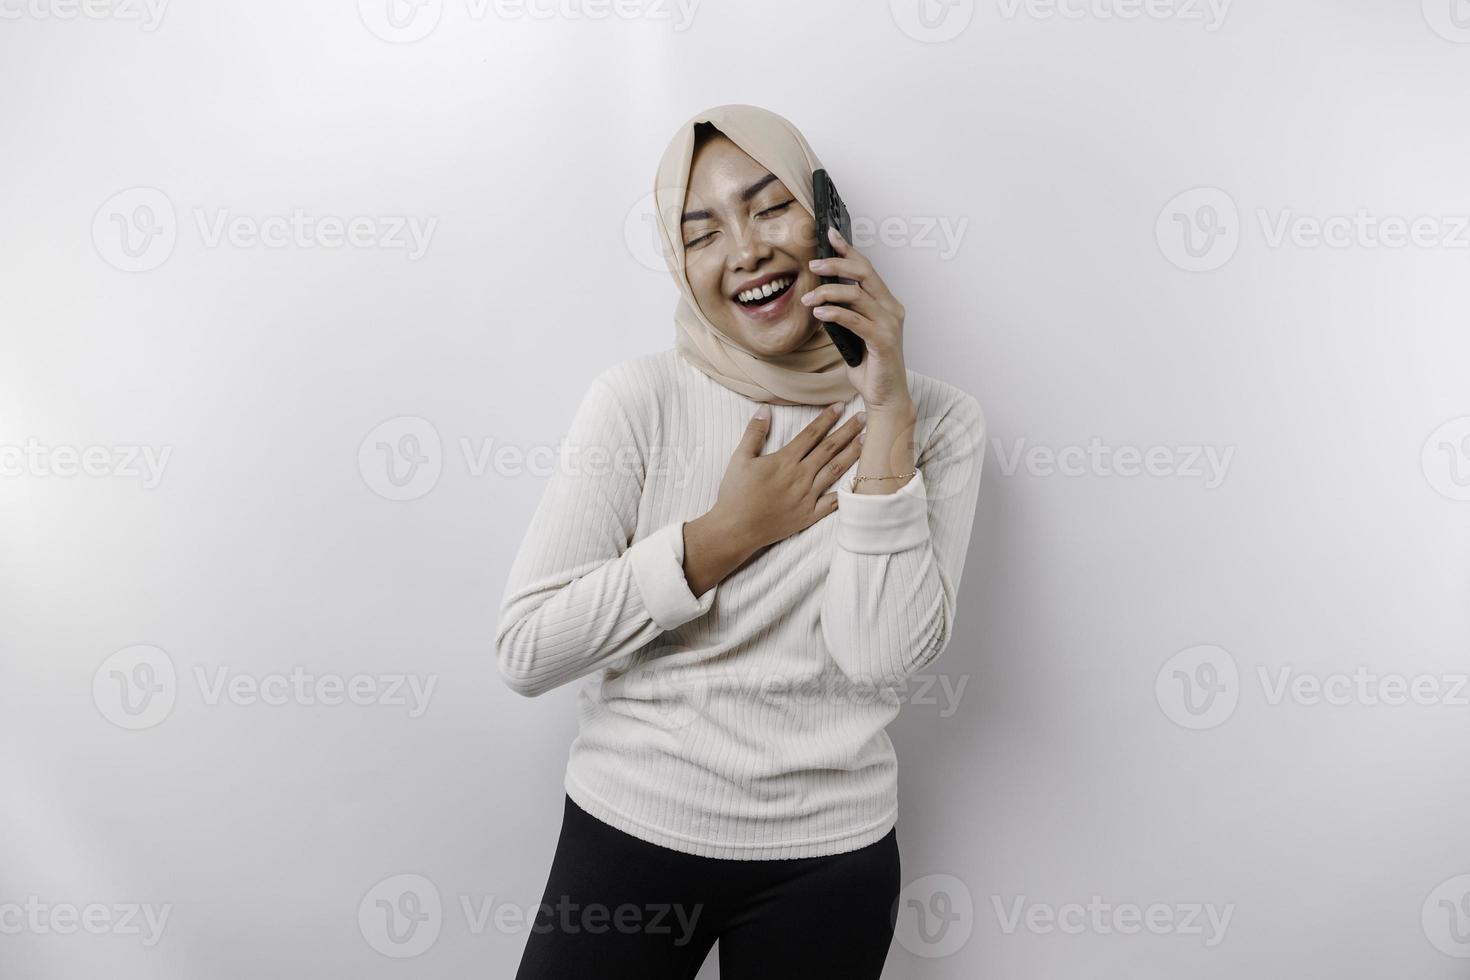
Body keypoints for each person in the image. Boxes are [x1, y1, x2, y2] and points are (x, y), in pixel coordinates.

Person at [496, 103, 986, 979]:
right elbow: (527, 649)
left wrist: (886, 412)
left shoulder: (937, 423)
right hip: (632, 830)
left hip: (831, 858)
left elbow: (878, 655)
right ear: (681, 266)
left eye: (770, 208)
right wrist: (723, 537)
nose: (747, 250)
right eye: (703, 231)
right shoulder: (637, 400)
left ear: (827, 219)